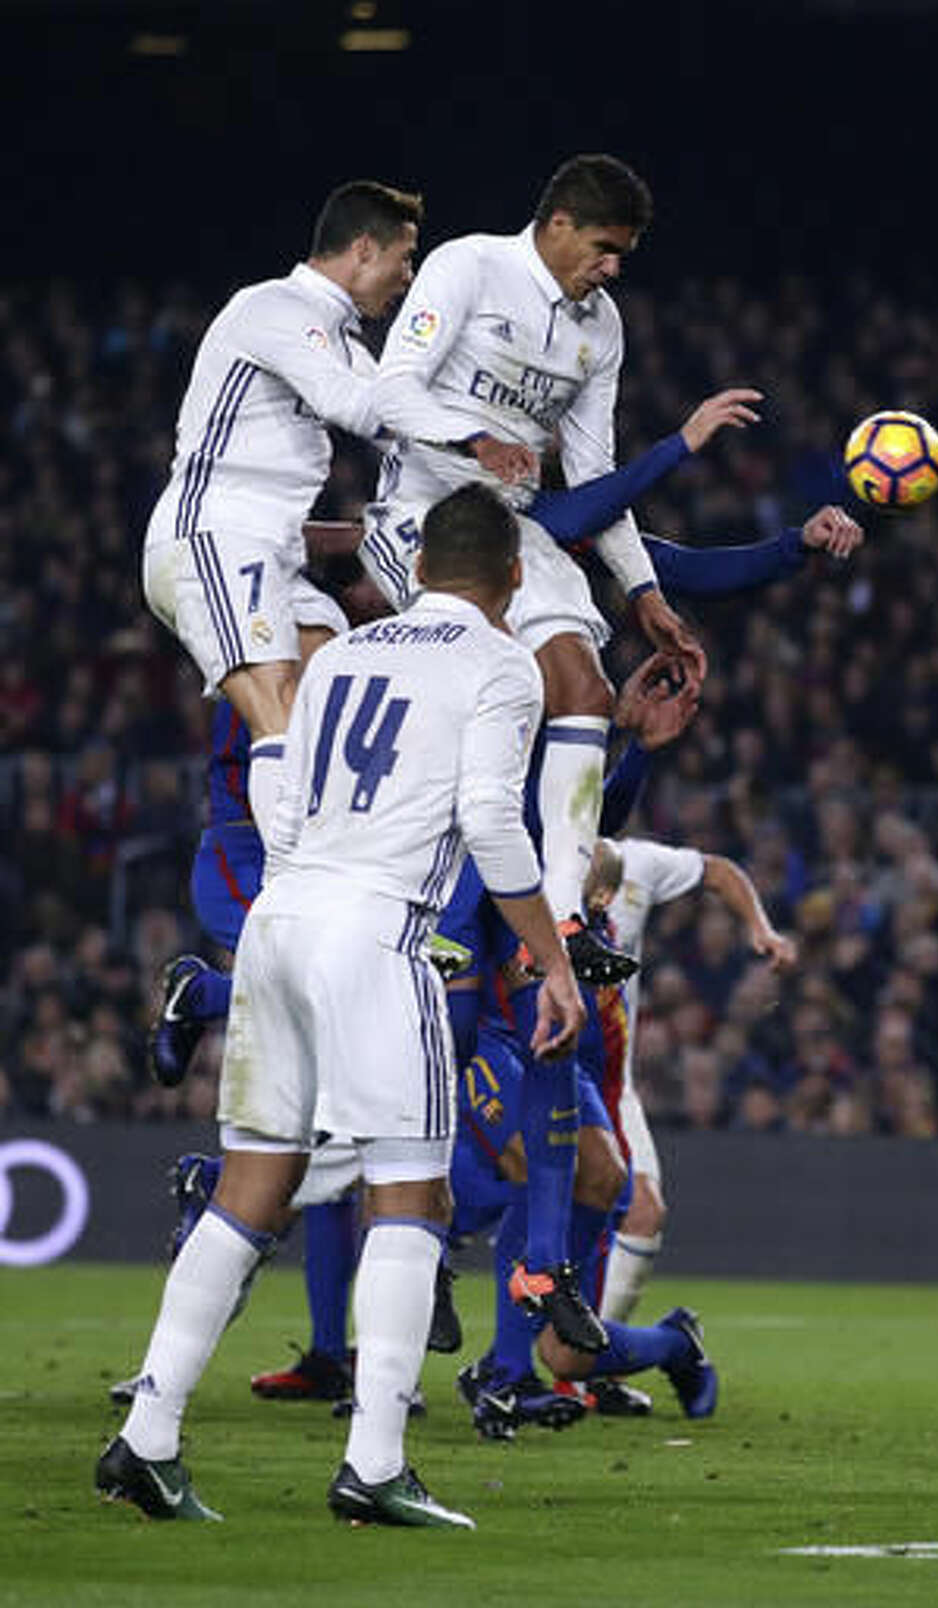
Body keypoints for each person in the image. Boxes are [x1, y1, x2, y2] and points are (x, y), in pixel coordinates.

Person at [96, 483, 585, 1529]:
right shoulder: (501, 662)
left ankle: (147, 1435)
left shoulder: (346, 653)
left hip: (281, 917)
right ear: (511, 576)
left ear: (419, 568)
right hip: (374, 934)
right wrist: (554, 961)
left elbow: (278, 793)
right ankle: (373, 1465)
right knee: (412, 1198)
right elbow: (495, 828)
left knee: (248, 1192)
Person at [363, 153, 717, 968]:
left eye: (623, 253)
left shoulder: (604, 327)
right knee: (492, 699)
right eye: (602, 247)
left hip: (518, 528)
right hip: (425, 516)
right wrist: (475, 440)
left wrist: (643, 591)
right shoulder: (469, 266)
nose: (613, 267)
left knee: (584, 687)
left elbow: (594, 476)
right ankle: (434, 914)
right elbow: (392, 391)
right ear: (556, 223)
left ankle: (560, 923)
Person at [142, 180, 421, 841]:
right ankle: (294, 886)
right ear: (361, 250)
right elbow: (359, 409)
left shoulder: (342, 341)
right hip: (212, 535)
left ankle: (333, 867)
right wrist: (472, 431)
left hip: (274, 555)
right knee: (284, 714)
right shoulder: (273, 306)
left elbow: (405, 433)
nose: (408, 279)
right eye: (404, 260)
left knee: (333, 700)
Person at [584, 837, 798, 1326]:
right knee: (443, 1207)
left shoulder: (635, 860)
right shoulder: (524, 850)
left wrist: (760, 929)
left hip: (609, 1088)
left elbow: (718, 870)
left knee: (643, 1214)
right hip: (519, 1074)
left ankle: (584, 1363)